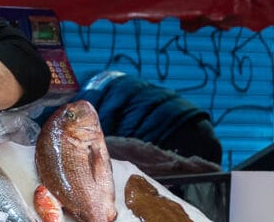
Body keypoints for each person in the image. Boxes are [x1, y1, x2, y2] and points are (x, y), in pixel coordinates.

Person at [52, 69, 223, 166]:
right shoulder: (92, 79)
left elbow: (100, 148)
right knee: (205, 193)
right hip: (197, 123)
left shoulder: (72, 109)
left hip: (167, 134)